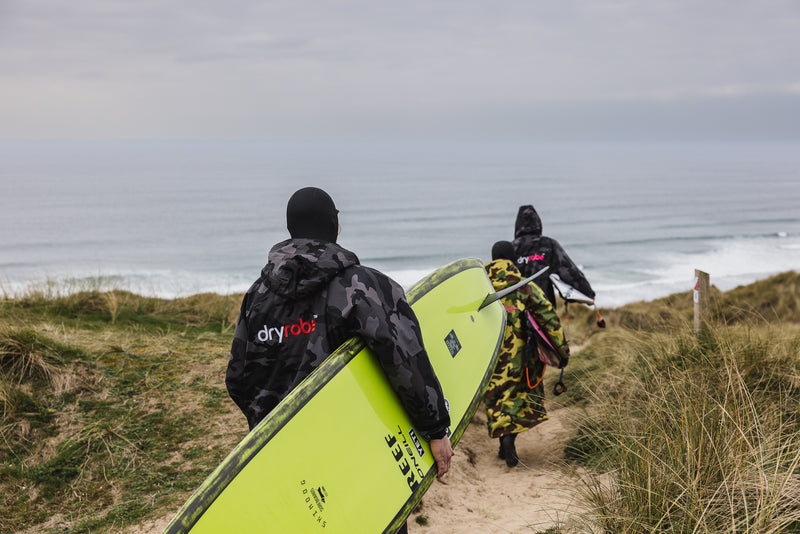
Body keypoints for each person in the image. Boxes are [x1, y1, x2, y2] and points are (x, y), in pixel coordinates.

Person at [225, 187, 453, 534]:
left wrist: (266, 428)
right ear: (334, 225)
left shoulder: (257, 296)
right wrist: (435, 428)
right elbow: (404, 358)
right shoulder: (360, 286)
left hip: (287, 462)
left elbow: (238, 378)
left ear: (292, 229)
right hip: (357, 456)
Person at [483, 241, 570, 467]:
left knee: (496, 396)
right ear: (513, 259)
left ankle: (504, 440)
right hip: (522, 354)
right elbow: (547, 315)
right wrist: (562, 350)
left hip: (489, 355)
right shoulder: (525, 286)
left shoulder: (481, 288)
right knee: (519, 395)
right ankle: (511, 437)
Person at [512, 205, 595, 308]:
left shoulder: (512, 248)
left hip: (516, 309)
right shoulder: (549, 245)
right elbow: (569, 271)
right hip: (544, 309)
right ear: (538, 223)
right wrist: (588, 293)